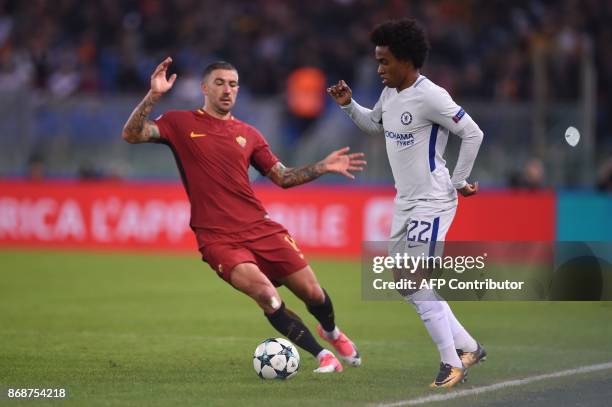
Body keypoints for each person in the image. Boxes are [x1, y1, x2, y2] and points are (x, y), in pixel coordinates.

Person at [122, 58, 365, 373]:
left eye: (233, 84)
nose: (227, 90)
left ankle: (331, 332)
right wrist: (153, 95)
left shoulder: (248, 134)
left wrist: (323, 166)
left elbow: (283, 177)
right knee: (268, 296)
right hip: (217, 238)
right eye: (220, 83)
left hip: (261, 228)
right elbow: (132, 134)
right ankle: (323, 356)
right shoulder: (180, 123)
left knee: (312, 292)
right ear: (204, 88)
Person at [327, 19, 485, 388]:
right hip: (406, 200)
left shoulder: (432, 96)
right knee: (405, 282)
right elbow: (374, 125)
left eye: (385, 62)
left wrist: (460, 180)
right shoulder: (391, 93)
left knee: (413, 277)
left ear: (407, 61)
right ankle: (469, 347)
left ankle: (452, 363)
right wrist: (349, 106)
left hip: (432, 199)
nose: (379, 69)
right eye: (377, 62)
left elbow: (473, 132)